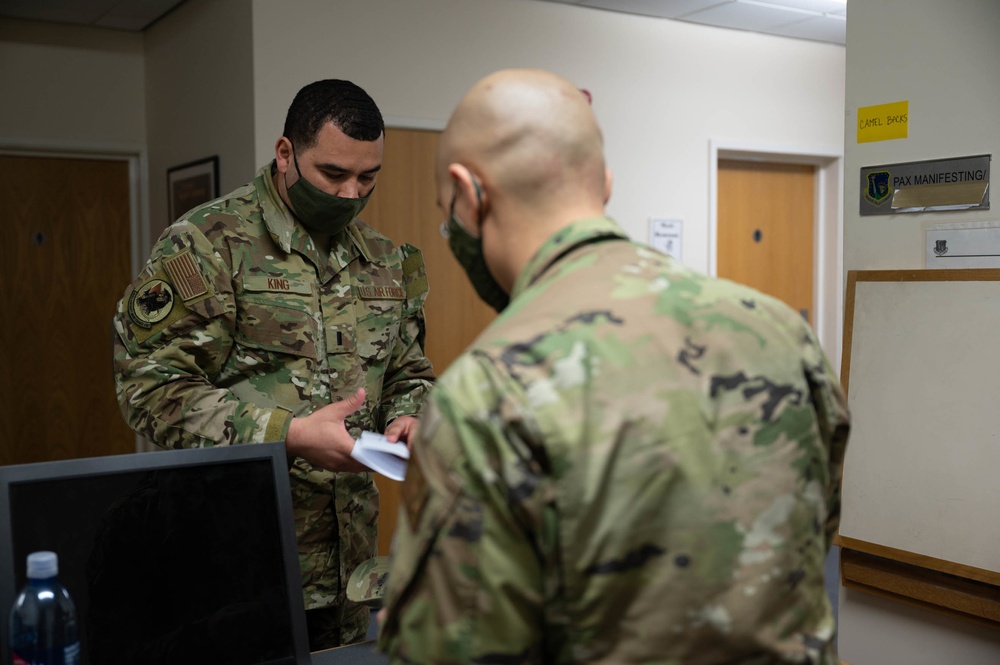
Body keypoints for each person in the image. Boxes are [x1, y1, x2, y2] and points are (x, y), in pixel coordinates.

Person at [377, 69, 850, 664]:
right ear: (603, 181)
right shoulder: (783, 332)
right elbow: (812, 540)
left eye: (449, 213)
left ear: (469, 194)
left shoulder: (490, 391)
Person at [112, 79, 435, 650]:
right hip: (236, 563)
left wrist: (410, 416)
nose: (350, 193)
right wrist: (286, 435)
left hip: (351, 567)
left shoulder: (385, 259)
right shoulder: (209, 243)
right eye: (333, 174)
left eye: (367, 179)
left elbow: (408, 369)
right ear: (286, 154)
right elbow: (150, 389)